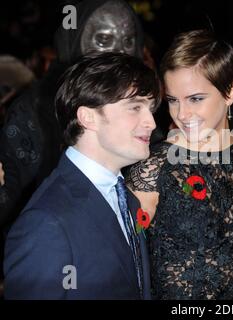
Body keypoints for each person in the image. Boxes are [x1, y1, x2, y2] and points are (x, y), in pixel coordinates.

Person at [3, 52, 160, 299]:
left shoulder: (125, 198)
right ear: (88, 117)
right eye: (135, 107)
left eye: (150, 109)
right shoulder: (46, 223)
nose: (150, 121)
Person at [126, 29, 233, 299]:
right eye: (172, 101)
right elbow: (120, 259)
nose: (182, 114)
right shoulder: (154, 168)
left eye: (195, 99)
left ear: (230, 92)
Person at [0, 0, 146, 229]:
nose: (119, 52)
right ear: (73, 42)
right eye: (103, 40)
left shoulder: (143, 111)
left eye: (128, 40)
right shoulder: (33, 111)